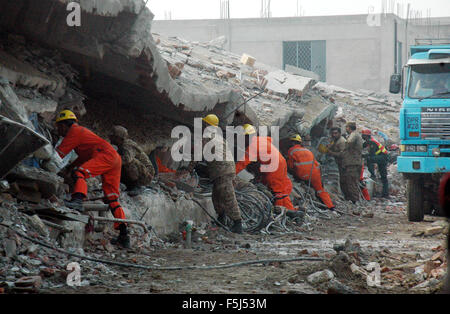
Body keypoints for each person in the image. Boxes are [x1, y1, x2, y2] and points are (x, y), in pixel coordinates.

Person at [54, 110, 129, 248]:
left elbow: (58, 154)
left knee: (80, 173)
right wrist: (70, 168)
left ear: (64, 125)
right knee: (112, 198)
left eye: (59, 127)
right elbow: (83, 157)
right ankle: (124, 236)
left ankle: (77, 200)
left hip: (106, 155)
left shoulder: (74, 131)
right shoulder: (82, 135)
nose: (58, 130)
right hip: (114, 158)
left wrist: (44, 164)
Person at [235, 124, 300, 218]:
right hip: (279, 162)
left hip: (274, 166)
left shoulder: (253, 146)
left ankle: (289, 213)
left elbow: (242, 163)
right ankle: (289, 210)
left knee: (278, 191)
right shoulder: (260, 140)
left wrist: (231, 173)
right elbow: (269, 140)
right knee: (277, 187)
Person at [201, 114, 243, 234]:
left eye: (205, 124)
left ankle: (237, 223)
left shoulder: (207, 136)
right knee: (217, 196)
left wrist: (188, 169)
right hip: (226, 169)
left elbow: (200, 153)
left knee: (227, 197)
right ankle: (221, 219)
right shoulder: (219, 137)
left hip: (222, 171)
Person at [287, 134, 335, 210]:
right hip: (315, 173)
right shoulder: (307, 150)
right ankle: (330, 206)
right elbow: (316, 163)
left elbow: (290, 166)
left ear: (292, 143)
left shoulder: (291, 151)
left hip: (302, 175)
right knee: (320, 190)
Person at [109, 126, 154, 193]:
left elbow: (127, 160)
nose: (111, 138)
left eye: (113, 136)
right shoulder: (121, 146)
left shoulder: (128, 145)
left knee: (129, 162)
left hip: (146, 176)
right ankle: (128, 185)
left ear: (119, 138)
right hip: (142, 173)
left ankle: (136, 186)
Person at [327, 122, 363, 203]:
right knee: (346, 182)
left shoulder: (352, 135)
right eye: (333, 133)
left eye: (346, 128)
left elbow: (345, 149)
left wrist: (331, 152)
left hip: (352, 163)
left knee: (351, 183)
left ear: (349, 128)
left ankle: (355, 202)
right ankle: (350, 200)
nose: (334, 135)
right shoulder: (338, 140)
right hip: (348, 164)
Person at [361, 129, 389, 198]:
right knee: (383, 176)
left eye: (363, 135)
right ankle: (385, 193)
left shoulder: (372, 142)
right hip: (382, 157)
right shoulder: (368, 141)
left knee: (370, 159)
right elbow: (362, 146)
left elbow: (371, 155)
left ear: (366, 136)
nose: (362, 137)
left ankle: (372, 174)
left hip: (383, 157)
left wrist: (363, 155)